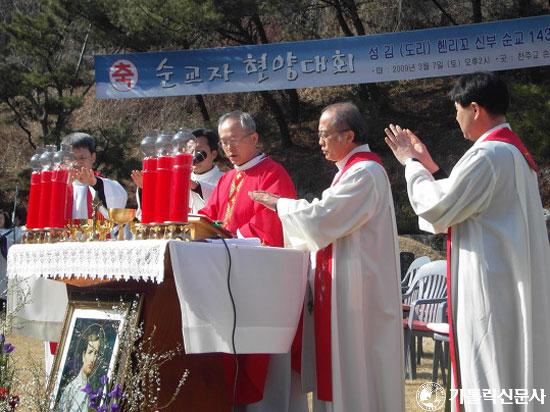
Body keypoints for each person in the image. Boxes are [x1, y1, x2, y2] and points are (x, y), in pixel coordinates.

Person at [384, 72, 550, 411]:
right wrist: (430, 165)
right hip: (507, 279)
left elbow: (436, 208)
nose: (456, 118)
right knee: (511, 368)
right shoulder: (512, 153)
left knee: (492, 369)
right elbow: (463, 201)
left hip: (489, 284)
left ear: (474, 109)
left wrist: (410, 164)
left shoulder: (487, 155)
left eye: (457, 110)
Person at [250, 102, 405, 412]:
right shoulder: (349, 172)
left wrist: (279, 204)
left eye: (324, 135)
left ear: (347, 136)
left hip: (359, 293)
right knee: (342, 368)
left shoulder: (365, 172)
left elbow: (321, 219)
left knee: (356, 368)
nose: (319, 142)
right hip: (346, 287)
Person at [199, 110, 304, 412]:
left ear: (254, 138)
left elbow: (272, 227)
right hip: (228, 281)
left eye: (234, 140)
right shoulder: (228, 178)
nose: (229, 148)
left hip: (262, 285)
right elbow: (210, 215)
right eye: (223, 141)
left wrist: (227, 234)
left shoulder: (273, 174)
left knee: (260, 359)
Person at [63, 132, 128, 219]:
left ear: (93, 157)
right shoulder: (57, 188)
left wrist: (95, 183)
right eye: (72, 158)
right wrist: (63, 188)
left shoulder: (105, 185)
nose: (77, 163)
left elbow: (117, 206)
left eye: (82, 158)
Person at [57, 327, 103, 412]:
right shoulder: (72, 388)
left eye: (96, 354)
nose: (93, 359)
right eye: (90, 352)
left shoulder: (92, 387)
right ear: (83, 355)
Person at [189, 128, 224, 204]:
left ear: (213, 154)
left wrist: (194, 185)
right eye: (191, 151)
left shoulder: (225, 179)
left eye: (199, 151)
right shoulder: (183, 177)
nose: (194, 155)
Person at [0, 210, 22, 300]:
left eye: (0, 218)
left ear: (5, 218)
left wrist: (4, 240)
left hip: (6, 265)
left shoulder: (14, 231)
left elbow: (19, 243)